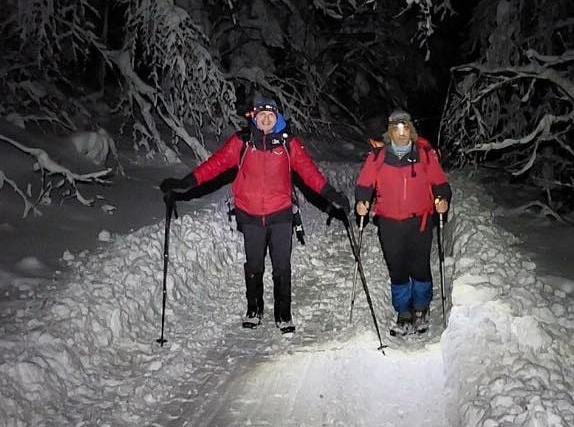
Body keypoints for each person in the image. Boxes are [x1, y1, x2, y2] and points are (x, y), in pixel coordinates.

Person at [160, 94, 350, 334]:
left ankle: (284, 314)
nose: (267, 119)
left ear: (277, 118)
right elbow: (215, 165)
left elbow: (310, 173)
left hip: (281, 213)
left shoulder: (288, 144)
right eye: (262, 115)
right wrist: (186, 182)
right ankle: (254, 309)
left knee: (282, 265)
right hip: (250, 215)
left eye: (271, 115)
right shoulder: (242, 142)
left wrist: (331, 194)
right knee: (254, 264)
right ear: (255, 117)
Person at [354, 109, 451, 336]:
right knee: (397, 268)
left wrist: (442, 199)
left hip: (420, 221)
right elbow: (364, 184)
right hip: (389, 223)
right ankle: (403, 312)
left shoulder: (424, 154)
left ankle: (421, 308)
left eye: (405, 128)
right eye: (396, 128)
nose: (401, 133)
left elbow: (440, 183)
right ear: (390, 131)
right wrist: (361, 202)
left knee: (419, 266)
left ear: (411, 130)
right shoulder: (378, 157)